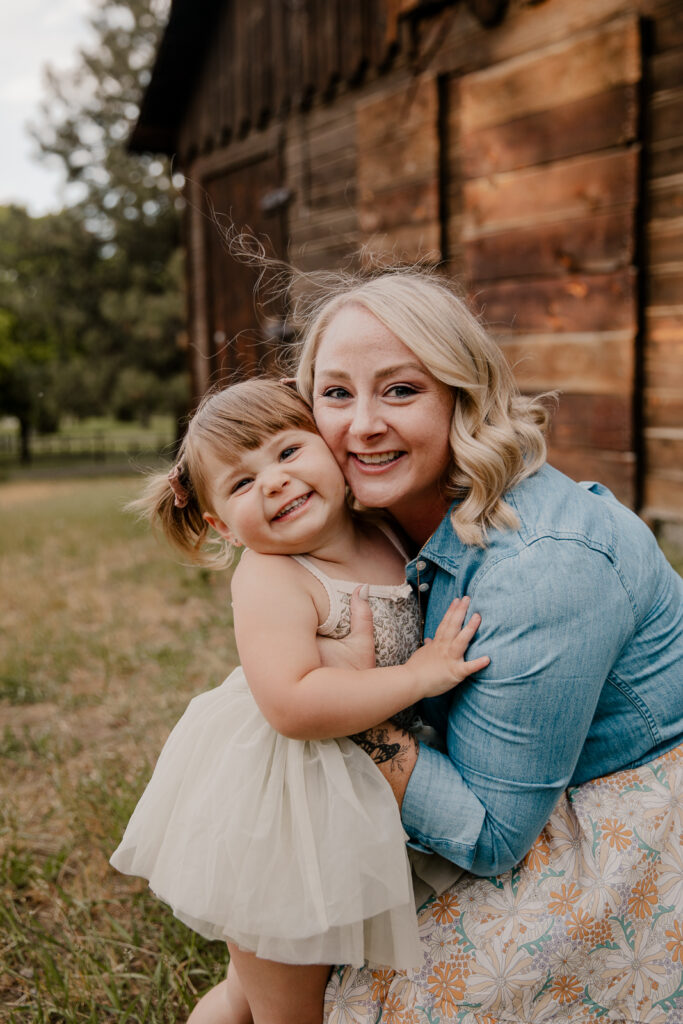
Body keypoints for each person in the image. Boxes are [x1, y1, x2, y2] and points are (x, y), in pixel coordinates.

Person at [292, 268, 683, 1023]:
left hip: (619, 810)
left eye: (400, 391)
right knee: (276, 959)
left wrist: (340, 707)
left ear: (462, 400)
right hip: (507, 780)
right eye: (335, 394)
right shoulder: (365, 519)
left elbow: (494, 833)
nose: (361, 425)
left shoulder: (540, 568)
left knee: (375, 1000)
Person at [110, 378, 490, 1024]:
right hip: (285, 816)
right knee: (282, 1007)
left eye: (287, 453)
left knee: (258, 989)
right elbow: (292, 702)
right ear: (220, 525)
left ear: (331, 452)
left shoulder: (386, 534)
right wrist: (418, 677)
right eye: (240, 483)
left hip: (355, 799)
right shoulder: (271, 575)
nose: (274, 482)